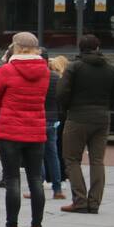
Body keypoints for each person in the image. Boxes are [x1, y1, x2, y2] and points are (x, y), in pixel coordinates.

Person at [0, 33, 49, 227]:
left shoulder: (7, 70)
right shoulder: (44, 71)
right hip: (36, 130)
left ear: (15, 47)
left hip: (11, 131)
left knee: (12, 180)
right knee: (35, 179)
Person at [58, 34, 114, 214]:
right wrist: (106, 109)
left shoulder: (74, 67)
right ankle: (94, 203)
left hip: (77, 116)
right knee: (97, 161)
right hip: (102, 117)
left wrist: (67, 108)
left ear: (80, 48)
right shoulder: (111, 69)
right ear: (98, 48)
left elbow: (62, 93)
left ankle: (80, 200)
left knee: (71, 159)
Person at [30, 51, 65, 200]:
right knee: (53, 154)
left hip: (37, 117)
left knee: (36, 154)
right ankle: (57, 189)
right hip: (52, 118)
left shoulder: (33, 77)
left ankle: (37, 187)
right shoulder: (56, 77)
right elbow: (61, 99)